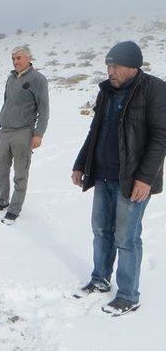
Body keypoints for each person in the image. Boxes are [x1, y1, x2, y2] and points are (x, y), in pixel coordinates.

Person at [71, 41, 166, 316]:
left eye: (115, 66)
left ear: (132, 66)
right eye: (108, 66)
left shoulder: (154, 90)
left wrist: (145, 179)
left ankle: (128, 295)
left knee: (126, 237)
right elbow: (95, 130)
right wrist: (81, 164)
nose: (110, 71)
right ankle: (100, 279)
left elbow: (161, 137)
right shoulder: (106, 92)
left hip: (132, 180)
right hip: (102, 174)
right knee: (101, 231)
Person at [0, 46, 49, 225]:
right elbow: (6, 104)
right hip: (6, 131)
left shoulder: (38, 80)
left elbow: (44, 110)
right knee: (0, 168)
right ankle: (2, 200)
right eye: (13, 58)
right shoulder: (11, 78)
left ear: (29, 58)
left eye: (19, 58)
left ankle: (14, 210)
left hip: (24, 131)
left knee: (20, 173)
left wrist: (39, 134)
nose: (15, 62)